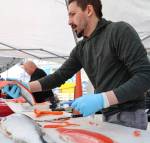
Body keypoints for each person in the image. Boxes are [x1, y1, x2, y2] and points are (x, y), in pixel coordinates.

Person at [4, 0, 150, 129]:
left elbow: (145, 76)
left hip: (131, 115)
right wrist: (24, 87)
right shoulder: (81, 49)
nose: (68, 21)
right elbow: (58, 77)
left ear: (89, 10)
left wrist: (102, 99)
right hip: (107, 115)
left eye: (72, 14)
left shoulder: (118, 31)